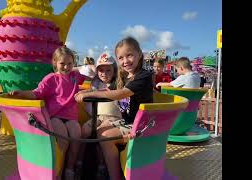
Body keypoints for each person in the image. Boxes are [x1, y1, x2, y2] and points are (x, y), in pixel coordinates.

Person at [75, 36, 153, 180]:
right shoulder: (126, 76)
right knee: (98, 133)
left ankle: (113, 175)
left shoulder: (143, 76)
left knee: (104, 136)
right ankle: (98, 167)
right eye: (121, 57)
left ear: (139, 54)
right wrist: (86, 91)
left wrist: (93, 93)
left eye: (129, 55)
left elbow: (121, 93)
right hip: (127, 122)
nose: (125, 61)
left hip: (140, 125)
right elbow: (106, 88)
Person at [8, 46, 89, 180]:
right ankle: (59, 171)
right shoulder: (51, 78)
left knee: (76, 138)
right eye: (62, 63)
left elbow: (91, 72)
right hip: (55, 116)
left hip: (71, 117)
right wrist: (21, 93)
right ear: (55, 63)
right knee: (64, 141)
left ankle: (70, 169)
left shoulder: (75, 76)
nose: (66, 67)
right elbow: (37, 93)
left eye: (70, 63)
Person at [76, 52, 121, 180]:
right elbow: (84, 73)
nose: (104, 73)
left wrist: (91, 92)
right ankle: (79, 163)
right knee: (84, 131)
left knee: (102, 134)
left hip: (114, 118)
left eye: (108, 70)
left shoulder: (118, 84)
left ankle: (102, 167)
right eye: (101, 70)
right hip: (98, 116)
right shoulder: (96, 83)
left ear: (114, 70)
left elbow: (108, 93)